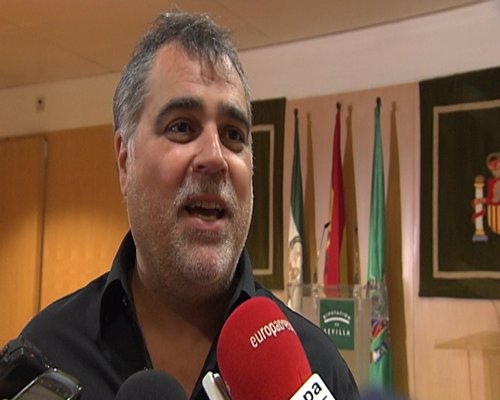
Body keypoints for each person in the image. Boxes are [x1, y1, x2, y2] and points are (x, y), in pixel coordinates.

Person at [18, 11, 359, 400]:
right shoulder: (47, 358)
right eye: (181, 127)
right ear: (125, 161)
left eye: (233, 135)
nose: (215, 156)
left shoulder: (318, 368)